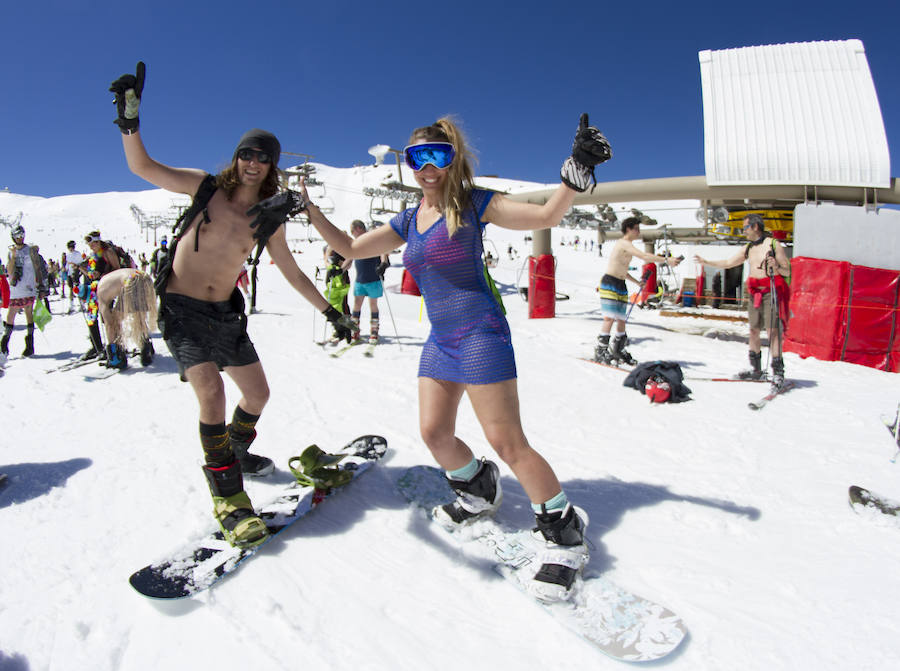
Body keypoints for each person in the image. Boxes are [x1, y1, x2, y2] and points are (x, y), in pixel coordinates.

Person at [303, 114, 612, 602]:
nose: (427, 167)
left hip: (480, 333)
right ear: (409, 164)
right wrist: (309, 210)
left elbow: (546, 217)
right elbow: (350, 247)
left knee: (507, 441)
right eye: (417, 158)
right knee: (434, 433)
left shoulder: (473, 203)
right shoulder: (409, 219)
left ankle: (564, 532)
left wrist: (573, 177)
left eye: (437, 156)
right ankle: (478, 488)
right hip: (441, 339)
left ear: (452, 159)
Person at [110, 61, 357, 548]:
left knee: (257, 395)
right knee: (211, 392)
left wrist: (331, 312)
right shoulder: (206, 188)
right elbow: (143, 167)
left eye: (262, 157)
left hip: (225, 314)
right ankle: (228, 497)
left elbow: (292, 272)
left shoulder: (268, 217)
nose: (252, 162)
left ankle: (236, 450)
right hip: (180, 308)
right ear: (236, 157)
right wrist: (130, 123)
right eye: (246, 153)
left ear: (271, 166)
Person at [694, 213, 791, 386]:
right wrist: (706, 262)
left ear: (755, 227)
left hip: (770, 291)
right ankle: (756, 369)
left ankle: (778, 371)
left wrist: (776, 266)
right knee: (753, 330)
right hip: (754, 293)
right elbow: (729, 262)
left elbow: (787, 271)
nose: (743, 231)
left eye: (745, 227)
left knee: (772, 331)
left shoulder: (773, 244)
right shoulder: (748, 248)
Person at [594, 217, 682, 365]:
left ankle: (618, 348)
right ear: (628, 229)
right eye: (636, 228)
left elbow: (622, 269)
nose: (639, 232)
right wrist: (666, 260)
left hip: (620, 283)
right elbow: (644, 256)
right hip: (610, 282)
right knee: (610, 317)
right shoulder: (624, 243)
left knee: (621, 318)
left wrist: (636, 282)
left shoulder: (627, 246)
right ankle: (601, 349)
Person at [96, 268, 157, 368]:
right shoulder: (106, 281)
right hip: (143, 277)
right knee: (139, 317)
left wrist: (111, 345)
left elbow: (109, 324)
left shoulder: (100, 294)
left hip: (130, 281)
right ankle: (146, 348)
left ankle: (116, 357)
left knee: (115, 321)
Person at [2, 225, 47, 358]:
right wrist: (13, 256)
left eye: (22, 235)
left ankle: (29, 345)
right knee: (11, 315)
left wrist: (41, 286)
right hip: (16, 289)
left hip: (29, 288)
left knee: (29, 314)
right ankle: (4, 345)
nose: (20, 238)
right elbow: (9, 271)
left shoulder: (30, 251)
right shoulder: (11, 251)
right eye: (17, 236)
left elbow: (38, 268)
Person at [348, 220, 389, 345]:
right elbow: (349, 257)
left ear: (359, 228)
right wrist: (339, 269)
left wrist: (383, 263)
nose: (352, 234)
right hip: (360, 280)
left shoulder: (371, 238)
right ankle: (355, 331)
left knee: (373, 304)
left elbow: (383, 250)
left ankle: (374, 331)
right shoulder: (356, 243)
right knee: (357, 304)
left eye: (352, 231)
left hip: (373, 279)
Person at [62, 240, 85, 314]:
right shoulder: (68, 254)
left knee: (78, 288)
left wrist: (76, 267)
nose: (70, 248)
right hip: (70, 273)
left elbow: (80, 263)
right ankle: (71, 305)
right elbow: (67, 264)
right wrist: (65, 268)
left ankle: (82, 304)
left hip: (76, 273)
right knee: (71, 289)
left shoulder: (77, 254)